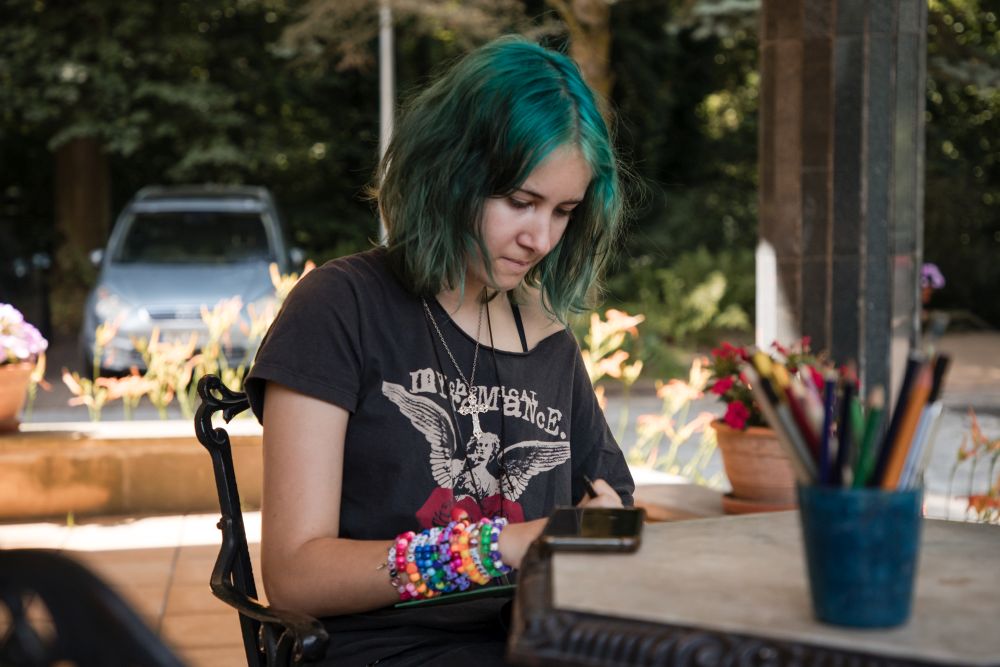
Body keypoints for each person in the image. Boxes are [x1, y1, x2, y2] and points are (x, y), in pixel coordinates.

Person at [245, 35, 634, 666]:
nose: (541, 238)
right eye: (521, 202)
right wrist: (498, 548)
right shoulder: (342, 306)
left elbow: (610, 506)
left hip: (534, 642)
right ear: (452, 172)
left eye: (564, 211)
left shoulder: (546, 335)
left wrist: (607, 520)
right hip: (384, 650)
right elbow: (295, 575)